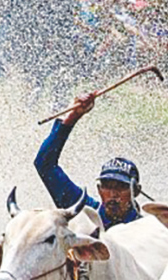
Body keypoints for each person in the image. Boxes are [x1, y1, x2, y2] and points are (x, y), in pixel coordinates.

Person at [33, 92, 142, 229]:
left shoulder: (147, 229)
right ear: (99, 189)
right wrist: (73, 116)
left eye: (121, 187)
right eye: (107, 186)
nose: (113, 194)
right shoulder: (83, 212)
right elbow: (44, 164)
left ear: (135, 192)